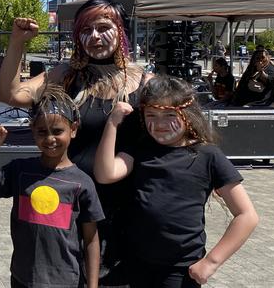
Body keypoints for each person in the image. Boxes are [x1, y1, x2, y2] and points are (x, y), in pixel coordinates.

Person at [0, 0, 149, 285]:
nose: (94, 37)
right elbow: (9, 93)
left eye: (104, 28)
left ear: (122, 32)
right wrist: (18, 43)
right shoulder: (66, 75)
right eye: (86, 30)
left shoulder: (146, 83)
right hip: (68, 206)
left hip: (123, 211)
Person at [94, 75, 259, 287]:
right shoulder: (141, 149)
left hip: (181, 269)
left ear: (188, 115)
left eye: (169, 115)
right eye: (151, 115)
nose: (159, 123)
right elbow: (105, 174)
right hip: (135, 262)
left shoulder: (207, 155)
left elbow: (247, 215)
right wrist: (112, 123)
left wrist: (211, 262)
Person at [0, 84, 104, 288]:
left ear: (73, 130)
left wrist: (92, 285)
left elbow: (91, 240)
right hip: (23, 278)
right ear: (33, 131)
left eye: (58, 131)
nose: (50, 139)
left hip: (66, 282)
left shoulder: (82, 182)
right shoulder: (20, 170)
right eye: (42, 132)